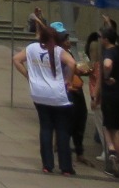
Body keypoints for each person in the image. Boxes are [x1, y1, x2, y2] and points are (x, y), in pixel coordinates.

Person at [15, 23, 76, 175]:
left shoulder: (31, 48)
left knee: (46, 128)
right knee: (62, 129)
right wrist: (68, 79)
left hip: (38, 93)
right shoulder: (58, 51)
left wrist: (28, 75)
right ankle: (66, 167)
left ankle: (47, 165)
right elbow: (72, 63)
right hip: (57, 94)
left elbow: (16, 59)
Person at [94, 24, 119, 178]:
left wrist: (107, 76)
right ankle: (117, 157)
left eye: (101, 37)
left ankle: (115, 156)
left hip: (110, 95)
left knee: (112, 128)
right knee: (113, 126)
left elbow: (107, 64)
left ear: (105, 39)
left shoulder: (109, 52)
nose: (99, 39)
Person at [59, 28, 89, 161]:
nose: (68, 41)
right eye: (65, 39)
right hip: (68, 90)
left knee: (80, 118)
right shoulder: (59, 54)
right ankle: (66, 151)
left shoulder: (68, 52)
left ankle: (78, 151)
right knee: (70, 121)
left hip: (77, 89)